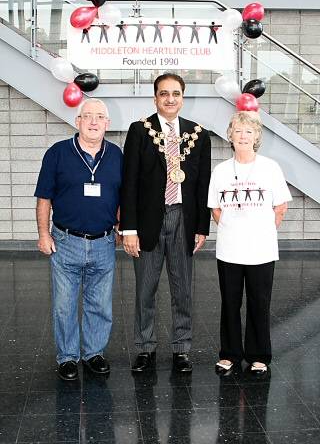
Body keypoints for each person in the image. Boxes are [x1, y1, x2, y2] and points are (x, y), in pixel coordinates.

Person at [120, 73, 211, 373]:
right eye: (164, 93)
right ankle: (145, 348)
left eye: (175, 93)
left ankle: (181, 349)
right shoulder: (140, 131)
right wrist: (128, 229)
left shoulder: (198, 135)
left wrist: (202, 227)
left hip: (183, 218)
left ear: (183, 97)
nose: (170, 99)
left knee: (182, 289)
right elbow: (129, 183)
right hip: (148, 221)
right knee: (145, 289)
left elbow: (202, 186)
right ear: (155, 98)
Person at [34, 98, 123, 381]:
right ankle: (68, 357)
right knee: (64, 304)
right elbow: (44, 198)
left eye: (100, 117)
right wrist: (43, 233)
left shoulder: (117, 155)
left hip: (104, 242)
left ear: (107, 124)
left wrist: (121, 227)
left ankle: (94, 353)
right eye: (88, 116)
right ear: (78, 121)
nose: (94, 121)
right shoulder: (58, 153)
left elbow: (122, 196)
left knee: (100, 304)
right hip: (65, 241)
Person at [207, 111, 292, 375]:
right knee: (230, 303)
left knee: (259, 302)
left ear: (256, 136)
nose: (243, 136)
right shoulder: (220, 171)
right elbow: (216, 209)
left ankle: (259, 356)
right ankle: (230, 354)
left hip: (261, 250)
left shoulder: (270, 167)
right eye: (238, 131)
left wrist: (259, 231)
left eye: (249, 131)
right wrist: (236, 229)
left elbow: (280, 207)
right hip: (229, 250)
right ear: (230, 136)